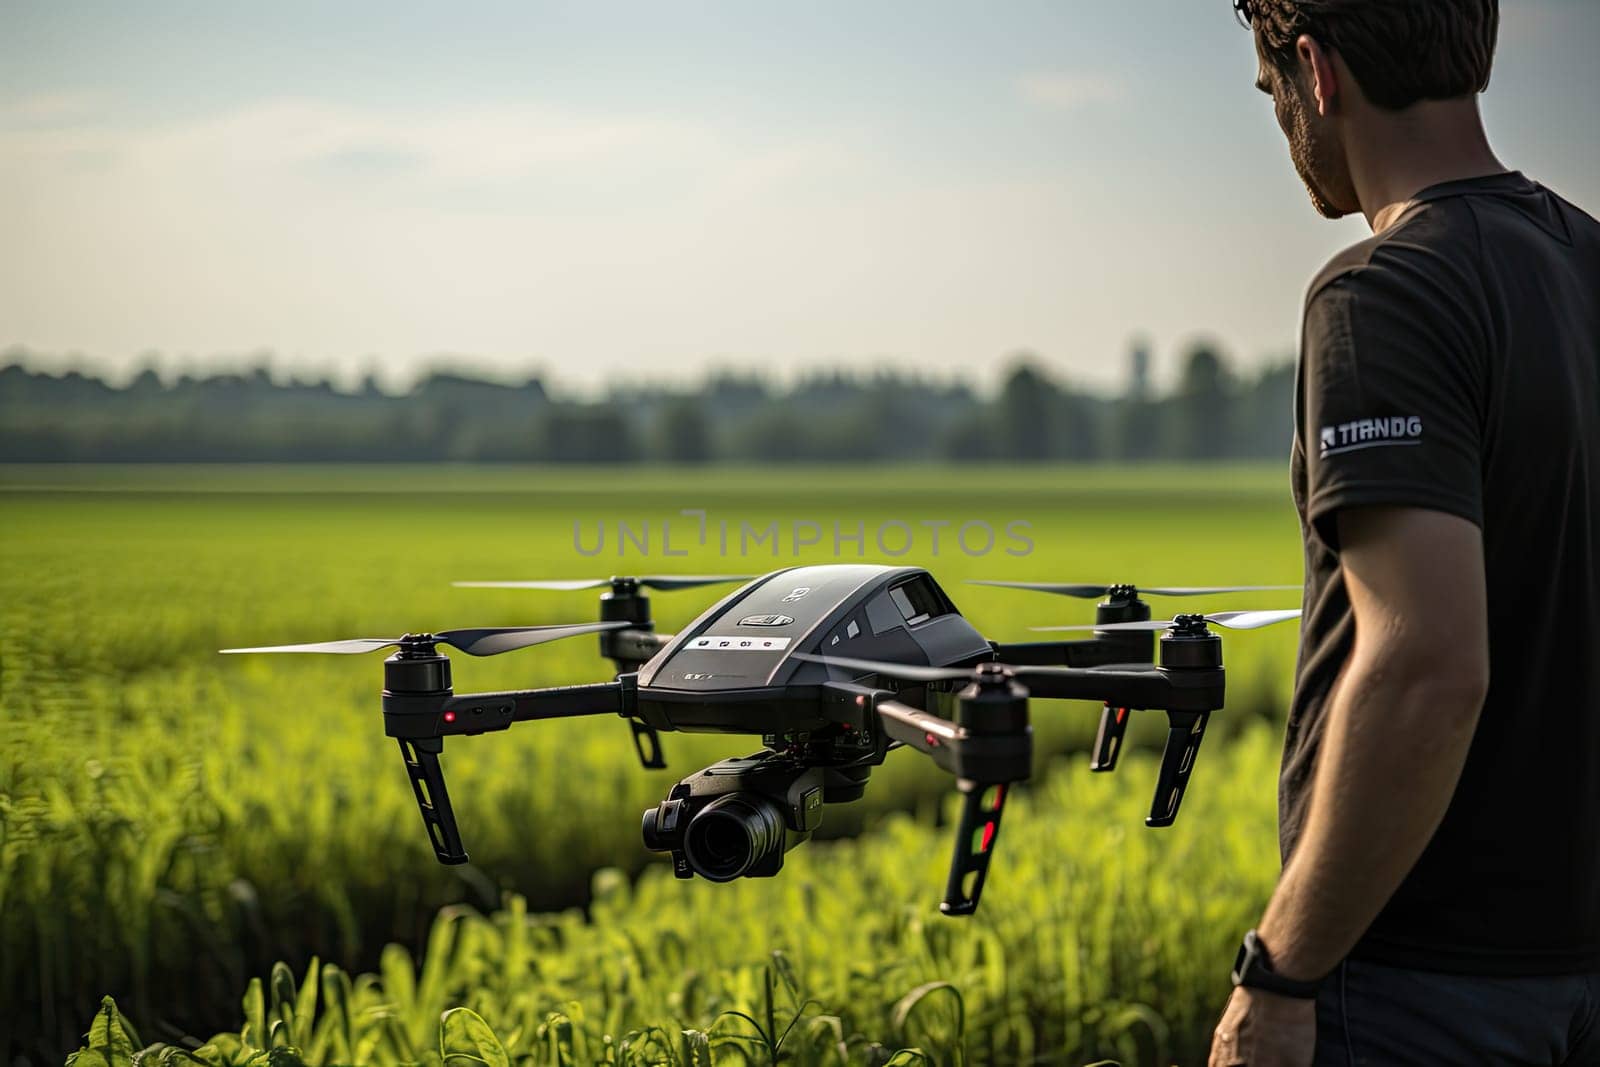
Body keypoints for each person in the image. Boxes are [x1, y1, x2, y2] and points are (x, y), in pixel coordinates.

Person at [1209, 2, 1600, 1064]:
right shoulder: (1582, 258)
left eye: (1271, 95)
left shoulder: (1383, 292)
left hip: (1424, 981)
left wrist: (1280, 971)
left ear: (1315, 72)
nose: (1282, 123)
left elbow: (1426, 662)